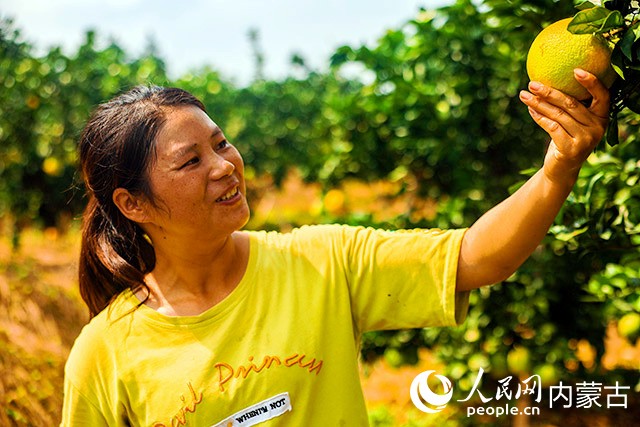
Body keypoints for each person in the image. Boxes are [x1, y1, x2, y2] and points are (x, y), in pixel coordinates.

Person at [60, 68, 609, 426]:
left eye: (221, 143)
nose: (225, 166)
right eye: (191, 160)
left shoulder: (319, 261)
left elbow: (477, 257)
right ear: (132, 204)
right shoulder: (105, 353)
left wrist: (558, 167)